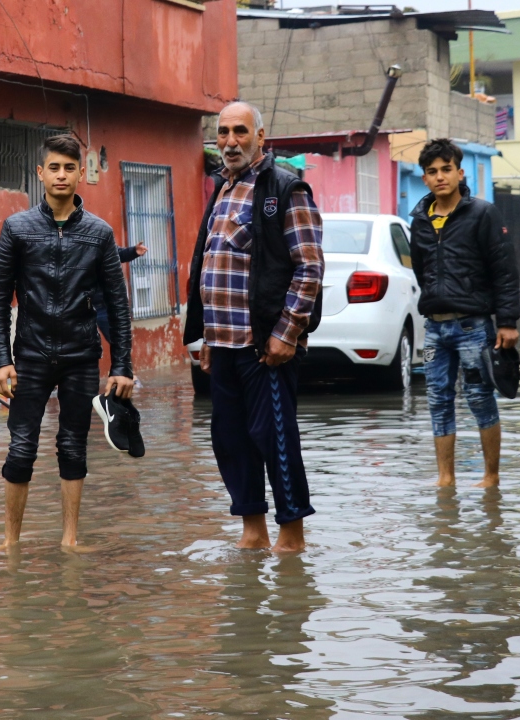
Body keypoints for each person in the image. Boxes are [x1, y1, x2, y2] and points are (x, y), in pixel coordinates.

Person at [184, 101, 323, 553]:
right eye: (222, 132)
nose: (229, 142)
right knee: (230, 440)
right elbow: (205, 265)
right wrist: (201, 335)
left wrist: (287, 332)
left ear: (261, 136)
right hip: (222, 345)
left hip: (264, 346)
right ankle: (252, 532)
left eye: (240, 131)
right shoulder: (221, 190)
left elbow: (309, 268)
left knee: (275, 439)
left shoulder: (284, 188)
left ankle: (292, 539)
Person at [0, 134, 135, 548]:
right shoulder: (16, 228)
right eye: (54, 167)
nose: (62, 175)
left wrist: (122, 366)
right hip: (30, 356)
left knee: (72, 447)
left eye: (70, 168)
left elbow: (118, 307)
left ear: (80, 175)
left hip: (80, 356)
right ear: (41, 173)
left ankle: (70, 539)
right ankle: (10, 543)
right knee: (21, 448)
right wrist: (2, 359)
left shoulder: (99, 234)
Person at [408, 139, 520, 488]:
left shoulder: (483, 214)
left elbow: (504, 269)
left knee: (478, 397)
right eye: (432, 172)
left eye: (446, 169)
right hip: (435, 330)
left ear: (459, 172)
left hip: (473, 327)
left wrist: (507, 322)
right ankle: (446, 478)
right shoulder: (420, 222)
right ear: (424, 179)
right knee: (438, 400)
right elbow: (421, 270)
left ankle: (491, 477)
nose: (440, 177)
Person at [94, 242, 146, 350]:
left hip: (104, 306)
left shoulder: (97, 241)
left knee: (120, 346)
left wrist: (133, 251)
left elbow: (117, 253)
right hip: (79, 306)